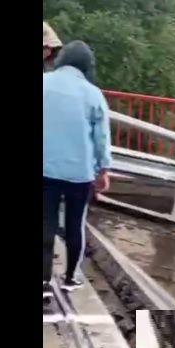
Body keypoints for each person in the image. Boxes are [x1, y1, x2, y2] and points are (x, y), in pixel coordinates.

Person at [43, 41, 112, 296]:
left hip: (45, 168)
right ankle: (70, 277)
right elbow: (101, 137)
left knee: (45, 222)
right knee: (74, 224)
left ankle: (43, 282)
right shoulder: (93, 94)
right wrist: (103, 170)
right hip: (79, 173)